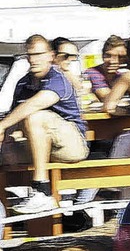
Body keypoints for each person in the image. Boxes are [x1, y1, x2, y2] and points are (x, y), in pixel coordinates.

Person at [0, 34, 89, 214]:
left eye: (39, 54)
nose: (34, 59)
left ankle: (42, 190)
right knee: (6, 153)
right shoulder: (22, 83)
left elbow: (34, 104)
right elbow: (15, 119)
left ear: (51, 56)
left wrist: (1, 126)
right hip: (41, 147)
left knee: (35, 117)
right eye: (30, 55)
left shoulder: (58, 79)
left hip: (72, 146)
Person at [83, 34, 126, 102]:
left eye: (120, 57)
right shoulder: (92, 72)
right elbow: (106, 97)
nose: (112, 61)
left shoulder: (121, 75)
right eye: (108, 56)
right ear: (102, 55)